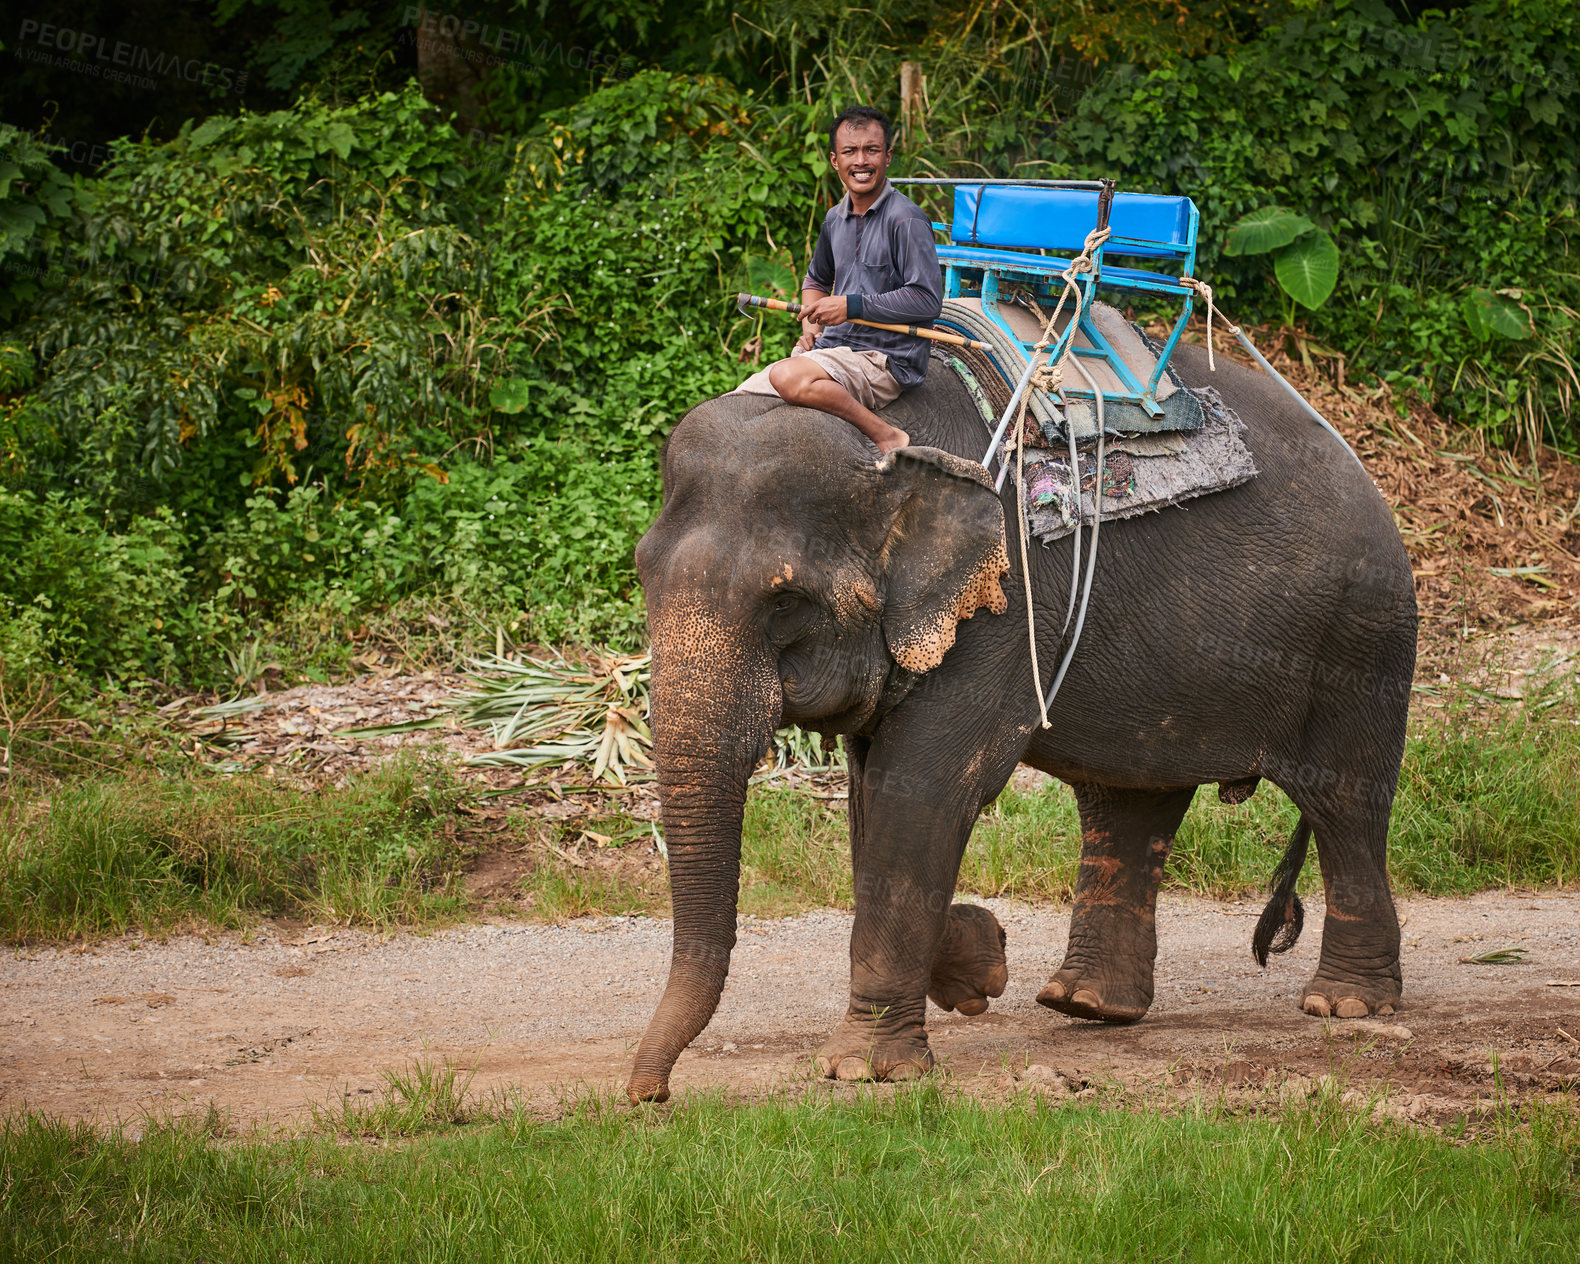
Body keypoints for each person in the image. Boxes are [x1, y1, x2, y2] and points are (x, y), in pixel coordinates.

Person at [733, 105, 942, 455]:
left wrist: (850, 305)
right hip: (833, 348)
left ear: (887, 156)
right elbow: (816, 278)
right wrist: (811, 326)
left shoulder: (906, 219)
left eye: (871, 150)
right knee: (735, 403)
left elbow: (926, 299)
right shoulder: (834, 218)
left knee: (788, 377)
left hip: (884, 358)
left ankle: (888, 436)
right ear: (835, 160)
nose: (861, 161)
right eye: (850, 151)